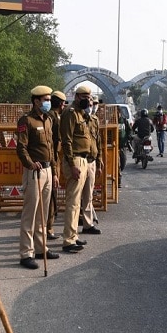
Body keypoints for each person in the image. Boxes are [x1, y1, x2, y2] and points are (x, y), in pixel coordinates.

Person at [16, 85, 61, 268]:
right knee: (31, 213)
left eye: (49, 99)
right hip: (34, 171)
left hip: (48, 170)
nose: (48, 103)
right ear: (36, 101)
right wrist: (29, 163)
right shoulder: (26, 120)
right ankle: (26, 253)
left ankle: (41, 247)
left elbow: (51, 148)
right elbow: (21, 147)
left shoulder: (48, 119)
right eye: (45, 100)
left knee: (43, 213)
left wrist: (55, 172)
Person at [59, 85, 94, 253]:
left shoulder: (81, 114)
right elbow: (66, 140)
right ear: (77, 97)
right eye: (85, 96)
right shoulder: (70, 113)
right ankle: (68, 240)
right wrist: (72, 164)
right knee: (72, 202)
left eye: (90, 96)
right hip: (75, 161)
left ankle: (73, 236)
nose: (88, 99)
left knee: (77, 202)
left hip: (84, 160)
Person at [80, 96, 103, 235]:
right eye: (90, 104)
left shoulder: (94, 120)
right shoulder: (76, 118)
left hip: (91, 161)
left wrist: (99, 160)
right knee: (75, 198)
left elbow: (97, 142)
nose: (92, 106)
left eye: (93, 104)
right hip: (79, 161)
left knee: (88, 195)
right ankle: (73, 228)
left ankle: (87, 224)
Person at [46, 90, 66, 240]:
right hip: (52, 158)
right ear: (60, 104)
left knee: (51, 194)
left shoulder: (53, 116)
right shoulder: (53, 117)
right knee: (51, 194)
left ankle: (47, 226)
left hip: (54, 157)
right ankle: (49, 227)